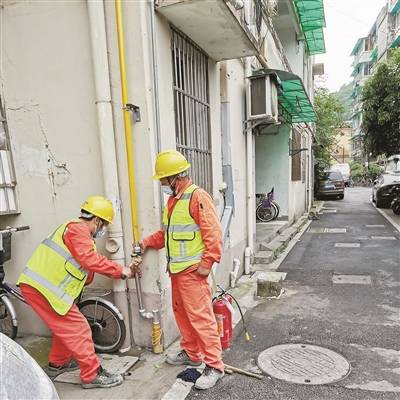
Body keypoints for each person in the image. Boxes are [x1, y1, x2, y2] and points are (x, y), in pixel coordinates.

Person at [17, 196, 140, 389]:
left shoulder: (78, 232)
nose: (104, 229)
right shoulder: (77, 229)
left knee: (64, 328)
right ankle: (92, 375)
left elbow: (85, 270)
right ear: (97, 220)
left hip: (41, 288)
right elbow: (90, 260)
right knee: (80, 328)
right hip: (43, 289)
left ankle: (58, 364)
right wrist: (121, 270)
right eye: (105, 224)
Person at [138, 150, 224, 390]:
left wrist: (207, 264)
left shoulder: (197, 197)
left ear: (175, 178)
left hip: (193, 273)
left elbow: (214, 235)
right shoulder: (173, 201)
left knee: (201, 319)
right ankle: (192, 353)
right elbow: (167, 234)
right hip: (177, 272)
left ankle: (214, 366)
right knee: (183, 316)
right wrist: (145, 242)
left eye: (164, 180)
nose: (163, 185)